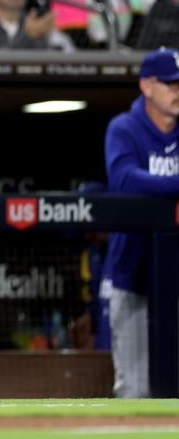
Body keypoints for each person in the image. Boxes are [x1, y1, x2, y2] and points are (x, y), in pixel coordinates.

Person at [103, 47, 179, 397]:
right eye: (170, 83)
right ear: (147, 86)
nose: (177, 90)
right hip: (134, 275)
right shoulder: (125, 127)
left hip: (175, 278)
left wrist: (160, 188)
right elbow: (123, 180)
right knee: (134, 388)